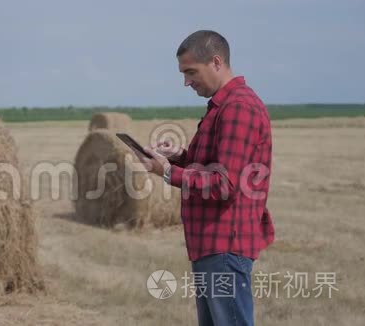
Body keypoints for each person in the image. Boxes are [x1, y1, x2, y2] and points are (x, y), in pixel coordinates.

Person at [135, 30, 275, 326]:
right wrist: (180, 157)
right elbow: (217, 167)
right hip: (212, 245)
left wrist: (168, 172)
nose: (186, 82)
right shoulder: (224, 106)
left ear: (215, 62)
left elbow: (225, 184)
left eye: (190, 72)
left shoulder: (238, 107)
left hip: (225, 245)